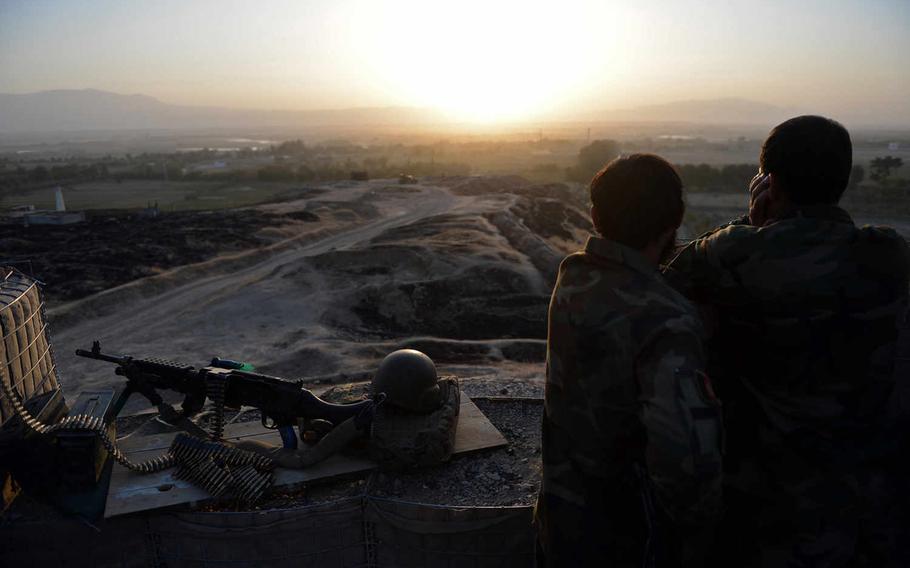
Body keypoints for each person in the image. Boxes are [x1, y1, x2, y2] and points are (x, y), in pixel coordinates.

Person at [664, 115, 910, 566]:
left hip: (770, 507)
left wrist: (752, 220)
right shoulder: (889, 254)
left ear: (770, 183)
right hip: (873, 507)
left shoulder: (735, 252)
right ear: (843, 180)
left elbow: (665, 284)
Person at [535, 154, 723, 567]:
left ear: (594, 215)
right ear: (674, 222)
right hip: (631, 541)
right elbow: (685, 466)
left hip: (563, 523)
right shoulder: (667, 320)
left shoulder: (574, 278)